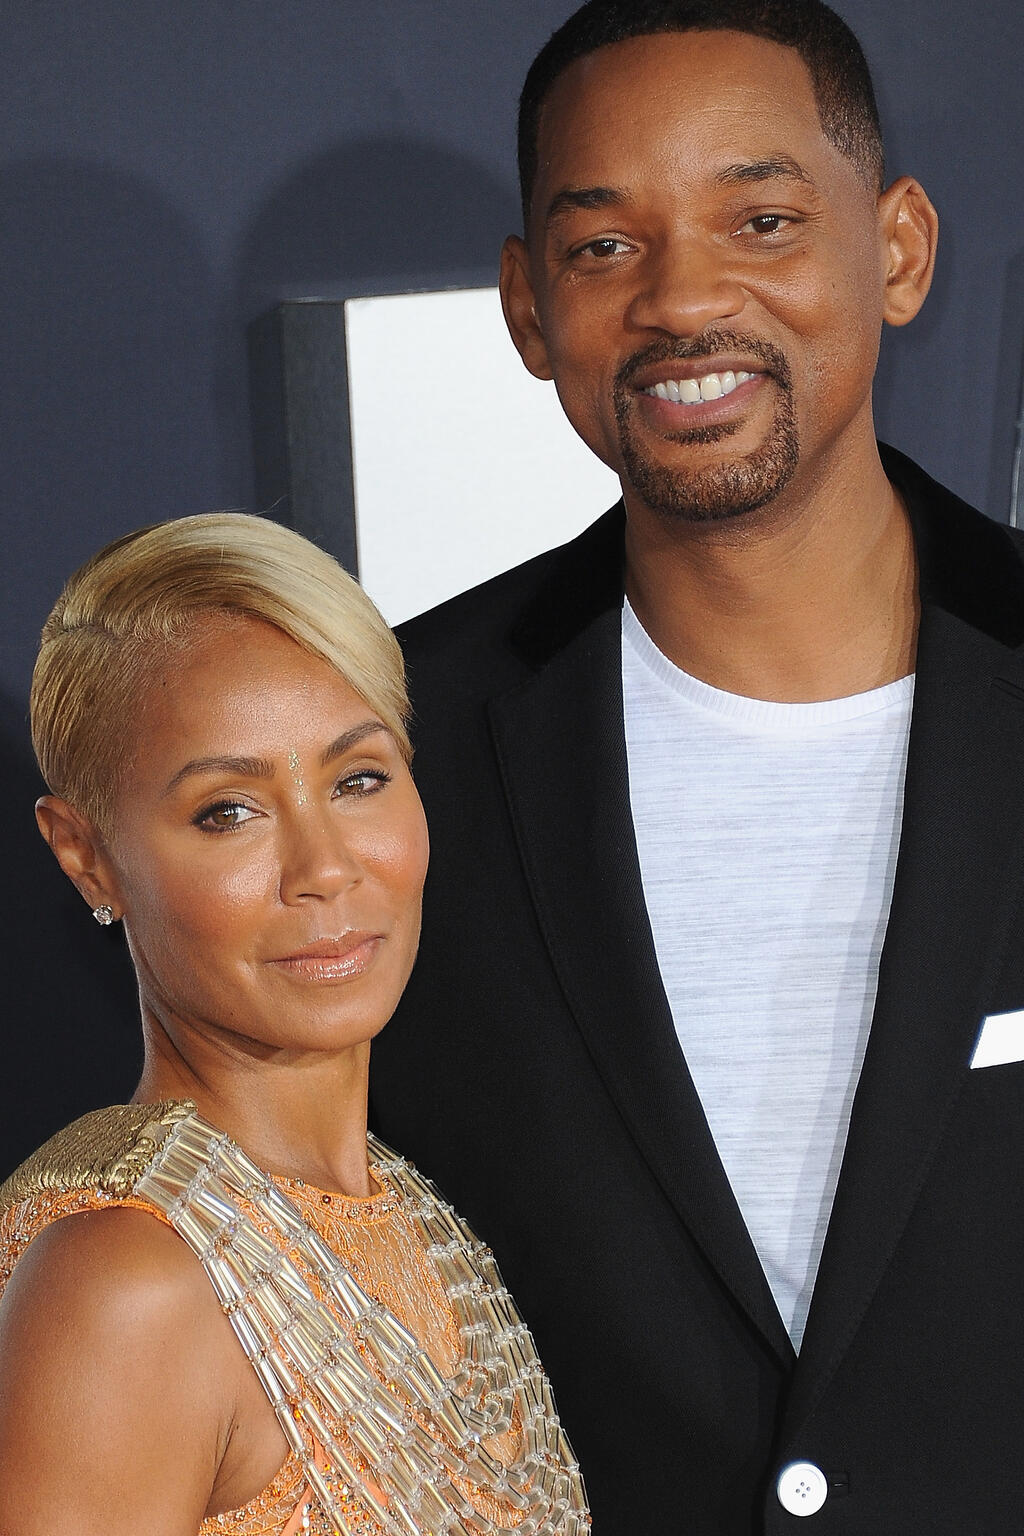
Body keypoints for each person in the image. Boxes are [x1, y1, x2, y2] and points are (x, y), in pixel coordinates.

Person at [370, 0, 1024, 1530]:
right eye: (605, 246)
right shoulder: (393, 758)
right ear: (529, 309)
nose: (682, 300)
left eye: (762, 220)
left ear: (899, 248)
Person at [0, 515, 588, 1535]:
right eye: (229, 811)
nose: (324, 868)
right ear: (85, 856)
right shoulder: (125, 1286)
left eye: (358, 780)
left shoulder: (416, 1220)